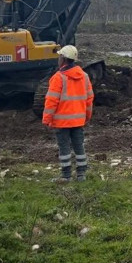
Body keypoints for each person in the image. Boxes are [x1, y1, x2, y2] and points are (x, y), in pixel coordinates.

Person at [43, 45, 94, 183]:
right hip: (78, 121)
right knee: (79, 146)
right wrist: (87, 116)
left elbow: (51, 101)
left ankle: (66, 176)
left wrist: (47, 119)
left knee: (64, 147)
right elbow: (89, 99)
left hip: (62, 122)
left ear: (63, 58)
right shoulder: (84, 76)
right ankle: (81, 174)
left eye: (59, 56)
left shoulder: (58, 78)